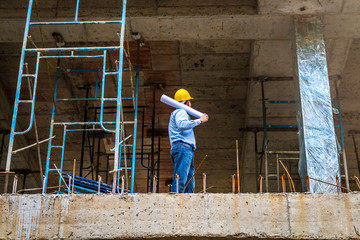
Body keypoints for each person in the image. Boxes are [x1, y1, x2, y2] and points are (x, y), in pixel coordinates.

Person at [168, 89, 208, 193]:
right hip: (183, 147)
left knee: (188, 181)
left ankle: (187, 200)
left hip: (184, 148)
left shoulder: (177, 113)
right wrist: (199, 120)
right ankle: (176, 200)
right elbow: (182, 125)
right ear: (187, 102)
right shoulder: (181, 112)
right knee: (181, 177)